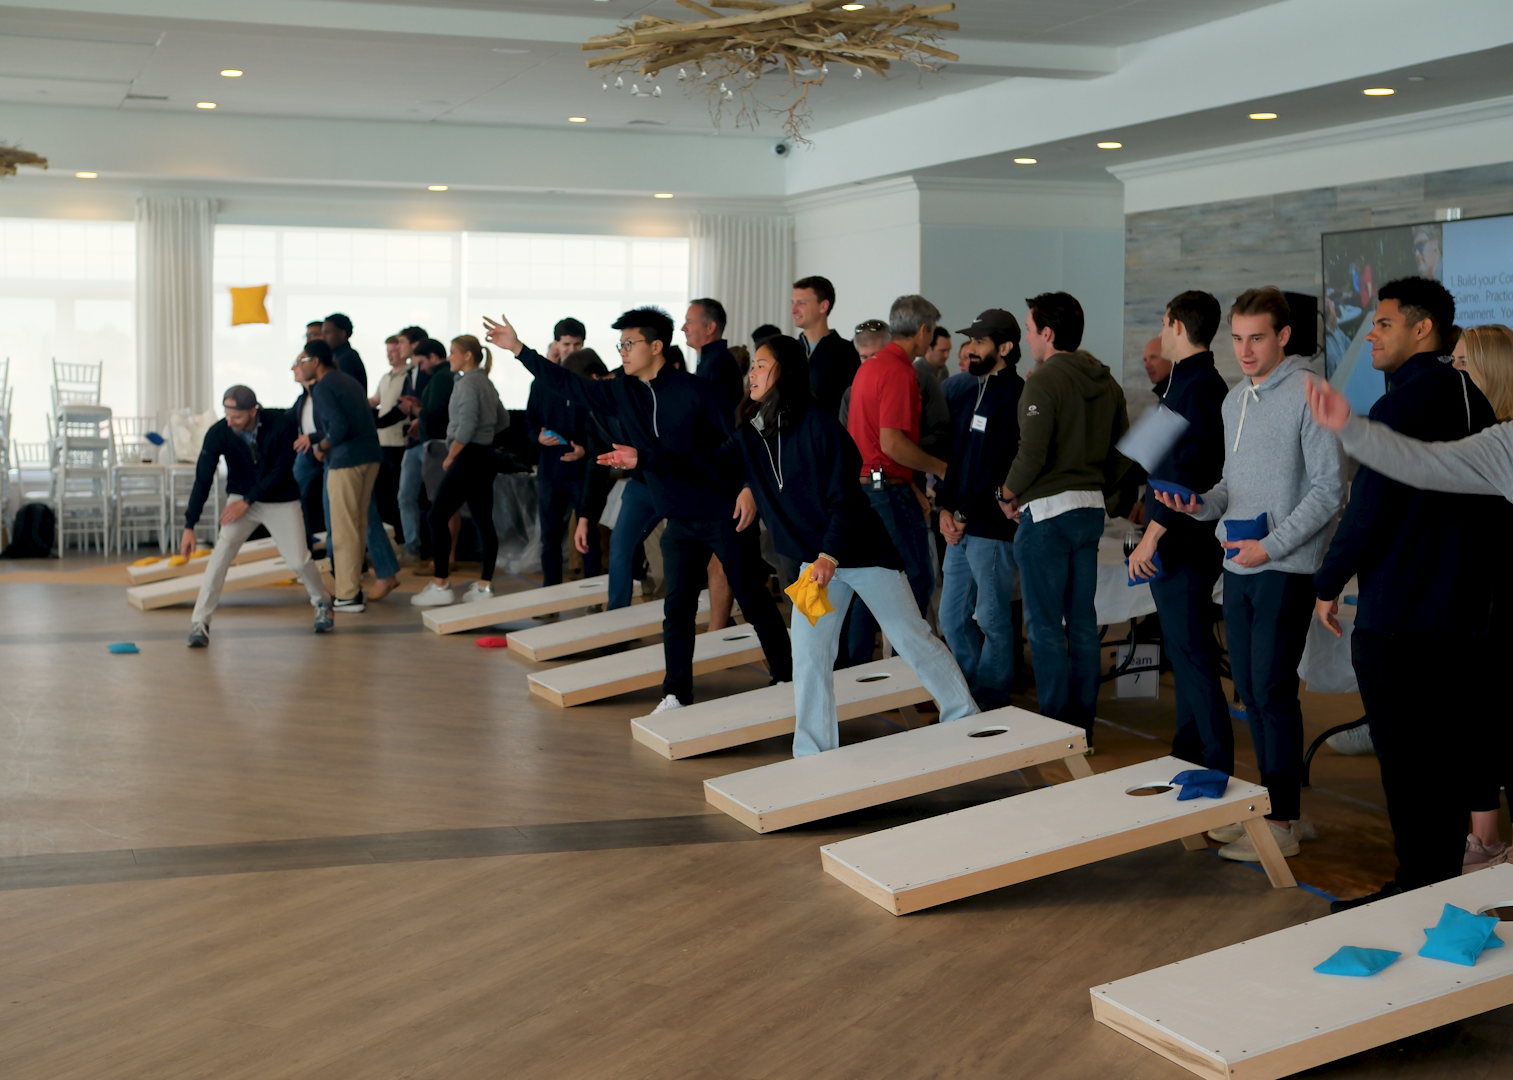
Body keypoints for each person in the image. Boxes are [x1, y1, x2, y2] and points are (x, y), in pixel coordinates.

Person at [616, 334, 978, 755]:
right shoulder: (755, 430)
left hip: (862, 557)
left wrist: (828, 555)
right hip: (817, 563)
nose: (752, 373)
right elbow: (709, 463)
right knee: (808, 654)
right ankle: (812, 749)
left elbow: (846, 502)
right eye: (751, 365)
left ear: (784, 371)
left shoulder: (821, 426)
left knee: (911, 636)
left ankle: (963, 715)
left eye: (761, 365)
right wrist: (643, 459)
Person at [485, 307, 792, 712]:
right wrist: (519, 349)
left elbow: (744, 442)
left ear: (657, 346)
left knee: (752, 598)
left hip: (722, 511)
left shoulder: (697, 391)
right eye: (621, 345)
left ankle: (787, 677)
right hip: (679, 518)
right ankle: (676, 693)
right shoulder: (621, 391)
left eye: (630, 344)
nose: (623, 352)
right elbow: (565, 383)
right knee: (677, 610)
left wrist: (751, 487)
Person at [1309, 283, 1499, 910]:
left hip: (1403, 617)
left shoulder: (1399, 411)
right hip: (1468, 614)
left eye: (1384, 323)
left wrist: (1327, 581)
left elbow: (1369, 511)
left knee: (1409, 769)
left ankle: (1417, 895)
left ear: (1423, 330)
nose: (1371, 334)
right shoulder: (1482, 402)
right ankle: (1443, 896)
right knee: (1447, 762)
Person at [1155, 287, 1345, 866]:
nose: (1244, 349)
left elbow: (1330, 490)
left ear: (1283, 337)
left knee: (1270, 691)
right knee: (1252, 695)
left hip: (1283, 568)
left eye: (1256, 337)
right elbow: (1230, 491)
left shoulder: (1311, 392)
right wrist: (1200, 506)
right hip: (1237, 566)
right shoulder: (1234, 401)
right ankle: (1277, 810)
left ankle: (1283, 820)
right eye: (1236, 338)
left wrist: (1273, 546)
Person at [998, 292, 1128, 741]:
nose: (1027, 338)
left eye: (1030, 330)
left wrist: (1006, 491)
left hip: (1048, 515)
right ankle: (1083, 728)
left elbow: (1031, 452)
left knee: (1046, 625)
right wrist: (1095, 485)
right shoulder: (1107, 382)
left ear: (1047, 333)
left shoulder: (1044, 381)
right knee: (1084, 624)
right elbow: (1123, 453)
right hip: (1090, 512)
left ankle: (1055, 730)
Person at [1128, 292, 1232, 774]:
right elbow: (1158, 460)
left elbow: (1189, 475)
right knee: (1186, 653)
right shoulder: (1183, 384)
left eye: (1162, 326)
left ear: (1175, 325)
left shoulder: (1199, 386)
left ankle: (1215, 768)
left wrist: (1152, 536)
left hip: (1184, 544)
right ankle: (1188, 754)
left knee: (1192, 658)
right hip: (1177, 539)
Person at [182, 385, 331, 646]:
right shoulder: (219, 432)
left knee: (298, 560)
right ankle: (200, 622)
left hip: (280, 499)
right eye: (227, 415)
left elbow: (281, 470)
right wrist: (189, 524)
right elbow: (203, 478)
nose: (230, 422)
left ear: (253, 411)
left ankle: (322, 603)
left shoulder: (281, 425)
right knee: (221, 553)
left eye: (236, 417)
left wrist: (248, 501)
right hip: (241, 498)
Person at [843, 296, 948, 664]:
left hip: (868, 486)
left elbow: (875, 446)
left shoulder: (870, 367)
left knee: (871, 584)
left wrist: (914, 486)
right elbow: (893, 444)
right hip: (886, 491)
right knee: (916, 579)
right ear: (923, 331)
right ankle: (910, 669)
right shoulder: (902, 372)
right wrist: (940, 468)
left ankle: (859, 669)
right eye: (932, 333)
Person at [936, 309, 1024, 711]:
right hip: (960, 523)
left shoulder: (1016, 393)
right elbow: (956, 458)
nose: (970, 349)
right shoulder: (971, 391)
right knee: (951, 618)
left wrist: (964, 512)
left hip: (988, 526)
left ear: (1005, 348)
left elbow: (1001, 463)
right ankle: (971, 694)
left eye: (980, 342)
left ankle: (991, 700)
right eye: (969, 342)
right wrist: (945, 509)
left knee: (991, 619)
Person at [411, 335, 510, 607]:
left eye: (453, 352)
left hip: (469, 456)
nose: (450, 357)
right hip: (485, 455)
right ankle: (484, 586)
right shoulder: (485, 381)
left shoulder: (467, 383)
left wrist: (452, 455)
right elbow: (503, 419)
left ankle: (441, 583)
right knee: (482, 520)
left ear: (467, 355)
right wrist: (484, 435)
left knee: (437, 515)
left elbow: (466, 425)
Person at [301, 339, 388, 612]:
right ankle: (352, 590)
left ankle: (348, 594)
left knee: (342, 530)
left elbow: (338, 428)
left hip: (346, 460)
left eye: (303, 361)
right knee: (357, 525)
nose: (299, 366)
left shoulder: (323, 386)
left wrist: (320, 447)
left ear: (315, 362)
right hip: (370, 455)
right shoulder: (347, 381)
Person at [526, 333, 590, 587]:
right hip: (550, 471)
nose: (571, 350)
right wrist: (538, 438)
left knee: (588, 535)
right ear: (556, 346)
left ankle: (592, 597)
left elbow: (601, 427)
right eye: (566, 344)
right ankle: (549, 595)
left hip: (582, 470)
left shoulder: (588, 382)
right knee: (550, 537)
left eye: (577, 344)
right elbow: (530, 425)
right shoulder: (542, 382)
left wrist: (586, 450)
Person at [397, 339, 450, 562]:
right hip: (423, 444)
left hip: (435, 446)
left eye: (421, 362)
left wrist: (416, 409)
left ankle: (441, 558)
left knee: (438, 502)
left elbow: (433, 413)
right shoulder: (437, 378)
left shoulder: (442, 378)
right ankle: (414, 547)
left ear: (432, 357)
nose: (419, 366)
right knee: (407, 496)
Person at [791, 275, 860, 418]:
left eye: (801, 303)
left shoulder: (846, 354)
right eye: (793, 303)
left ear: (823, 306)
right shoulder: (788, 351)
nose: (793, 310)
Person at [373, 333, 413, 542]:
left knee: (400, 495)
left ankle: (402, 538)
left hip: (399, 442)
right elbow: (375, 400)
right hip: (382, 442)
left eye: (395, 350)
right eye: (388, 351)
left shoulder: (408, 375)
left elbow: (404, 408)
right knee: (385, 496)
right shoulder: (385, 376)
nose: (391, 354)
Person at [684, 299, 743, 412]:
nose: (684, 328)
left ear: (710, 328)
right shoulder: (711, 359)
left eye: (690, 322)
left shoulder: (718, 363)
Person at [322, 312, 366, 389]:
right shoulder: (338, 356)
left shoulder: (347, 358)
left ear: (342, 334)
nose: (323, 337)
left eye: (327, 332)